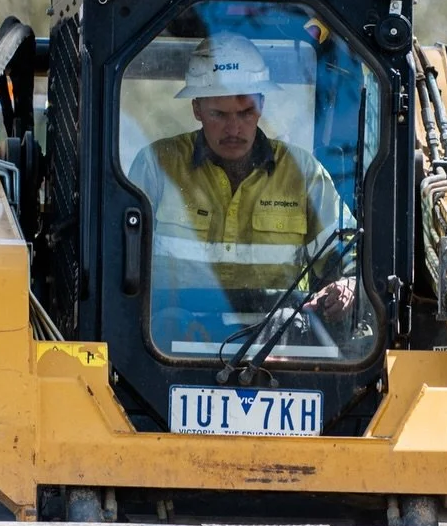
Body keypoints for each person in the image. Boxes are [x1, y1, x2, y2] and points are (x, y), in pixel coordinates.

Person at [127, 33, 355, 322]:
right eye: (219, 115)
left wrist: (350, 285)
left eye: (246, 112)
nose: (234, 128)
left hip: (276, 349)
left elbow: (350, 253)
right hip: (166, 346)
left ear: (261, 105)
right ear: (197, 109)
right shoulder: (156, 167)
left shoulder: (302, 173)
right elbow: (118, 263)